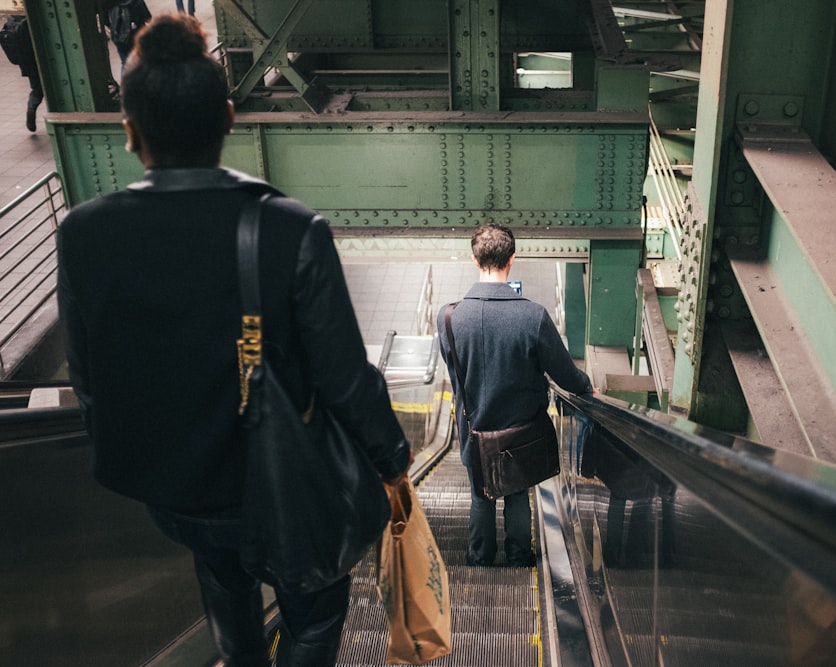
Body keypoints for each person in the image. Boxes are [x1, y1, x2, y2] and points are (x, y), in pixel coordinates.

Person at [56, 14, 411, 666]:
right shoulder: (289, 230)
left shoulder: (82, 234)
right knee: (316, 608)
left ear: (130, 131)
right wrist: (390, 460)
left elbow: (86, 380)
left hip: (177, 495)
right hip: (278, 487)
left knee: (222, 581)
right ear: (227, 117)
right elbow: (343, 376)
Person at [437, 223, 593, 567]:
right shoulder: (532, 316)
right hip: (521, 432)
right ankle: (519, 557)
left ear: (476, 261)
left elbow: (454, 370)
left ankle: (479, 559)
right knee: (518, 493)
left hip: (474, 428)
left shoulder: (449, 317)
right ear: (512, 259)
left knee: (481, 494)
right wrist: (585, 388)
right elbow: (564, 373)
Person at [0, 13, 44, 132]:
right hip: (41, 61)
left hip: (27, 63)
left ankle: (31, 107)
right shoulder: (37, 22)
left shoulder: (19, 24)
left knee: (37, 89)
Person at [102, 0, 151, 79]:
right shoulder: (136, 2)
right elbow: (147, 17)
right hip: (137, 34)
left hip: (119, 37)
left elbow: (105, 18)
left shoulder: (108, 3)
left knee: (125, 63)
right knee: (142, 59)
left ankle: (126, 86)